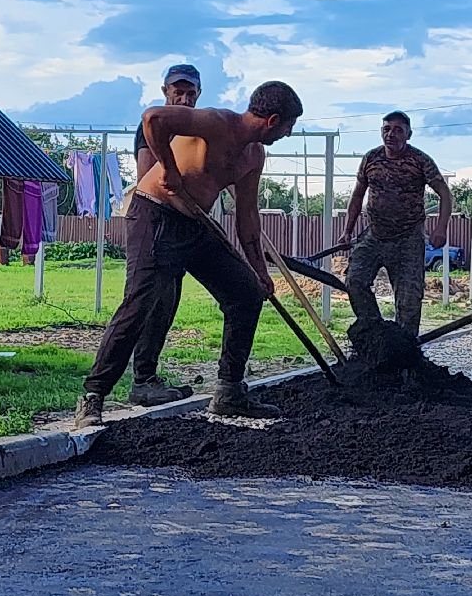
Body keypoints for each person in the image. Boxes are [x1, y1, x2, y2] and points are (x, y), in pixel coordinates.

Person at [76, 80, 303, 427]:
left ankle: (229, 391)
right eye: (288, 126)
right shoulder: (215, 122)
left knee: (246, 294)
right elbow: (153, 118)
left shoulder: (254, 155)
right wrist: (167, 167)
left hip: (196, 224)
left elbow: (247, 217)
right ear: (272, 120)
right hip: (154, 215)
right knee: (140, 303)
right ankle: (93, 396)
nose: (288, 133)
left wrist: (260, 271)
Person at [123, 63, 204, 407]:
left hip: (182, 223)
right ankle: (138, 380)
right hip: (154, 219)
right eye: (178, 92)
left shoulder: (200, 130)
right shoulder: (153, 126)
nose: (183, 99)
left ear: (198, 95)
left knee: (167, 300)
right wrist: (182, 196)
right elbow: (146, 177)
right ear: (166, 92)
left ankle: (148, 375)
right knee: (146, 299)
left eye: (190, 93)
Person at [339, 111, 453, 338]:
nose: (390, 134)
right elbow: (357, 196)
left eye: (398, 130)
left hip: (408, 239)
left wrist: (441, 228)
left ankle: (405, 350)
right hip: (375, 235)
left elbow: (445, 194)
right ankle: (377, 334)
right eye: (386, 129)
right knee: (355, 281)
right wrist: (347, 231)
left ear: (408, 134)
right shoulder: (371, 158)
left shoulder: (420, 161)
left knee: (409, 300)